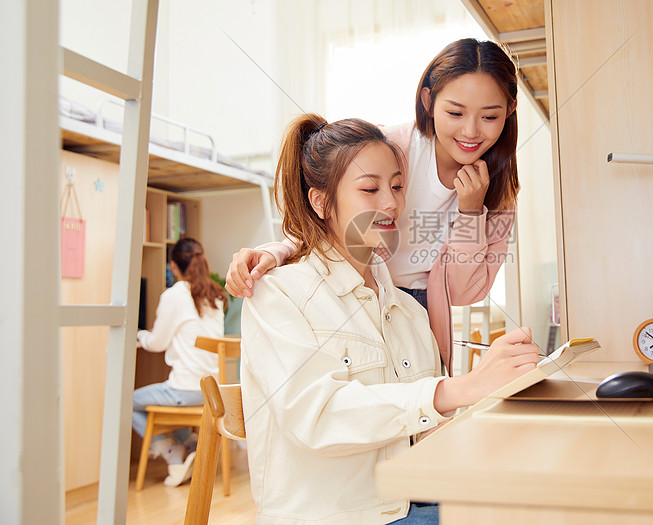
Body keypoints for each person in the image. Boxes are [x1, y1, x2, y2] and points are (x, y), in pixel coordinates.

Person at [241, 114, 538, 524]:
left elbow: (427, 436)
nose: (391, 203)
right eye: (370, 189)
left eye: (398, 187)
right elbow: (317, 415)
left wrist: (492, 395)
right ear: (321, 202)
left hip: (410, 504)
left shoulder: (410, 312)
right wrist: (461, 388)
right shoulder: (277, 293)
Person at [228, 38, 520, 374]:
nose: (470, 130)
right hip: (358, 294)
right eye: (455, 112)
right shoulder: (390, 147)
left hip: (420, 311)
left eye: (490, 116)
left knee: (422, 412)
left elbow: (463, 292)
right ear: (428, 100)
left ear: (509, 110)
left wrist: (471, 211)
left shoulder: (499, 193)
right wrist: (278, 251)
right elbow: (333, 210)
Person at [134, 237, 227, 487]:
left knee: (128, 402)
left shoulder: (174, 295)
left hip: (187, 389)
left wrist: (140, 333)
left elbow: (157, 343)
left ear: (173, 266)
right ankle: (190, 445)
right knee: (167, 399)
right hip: (212, 389)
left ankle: (173, 455)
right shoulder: (214, 295)